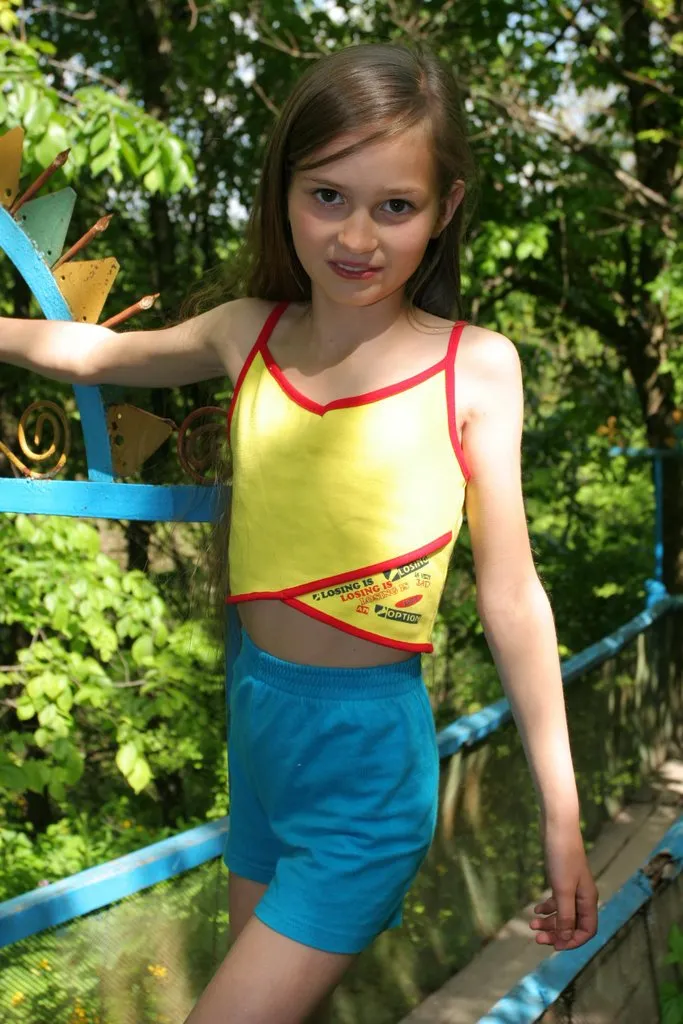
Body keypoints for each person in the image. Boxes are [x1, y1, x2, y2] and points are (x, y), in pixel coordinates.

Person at [1, 41, 598, 1024]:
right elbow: (95, 353)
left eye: (394, 206)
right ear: (283, 191)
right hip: (260, 742)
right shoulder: (247, 331)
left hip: (366, 777)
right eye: (327, 196)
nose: (355, 235)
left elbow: (510, 596)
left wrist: (561, 819)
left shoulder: (476, 366)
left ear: (444, 208)